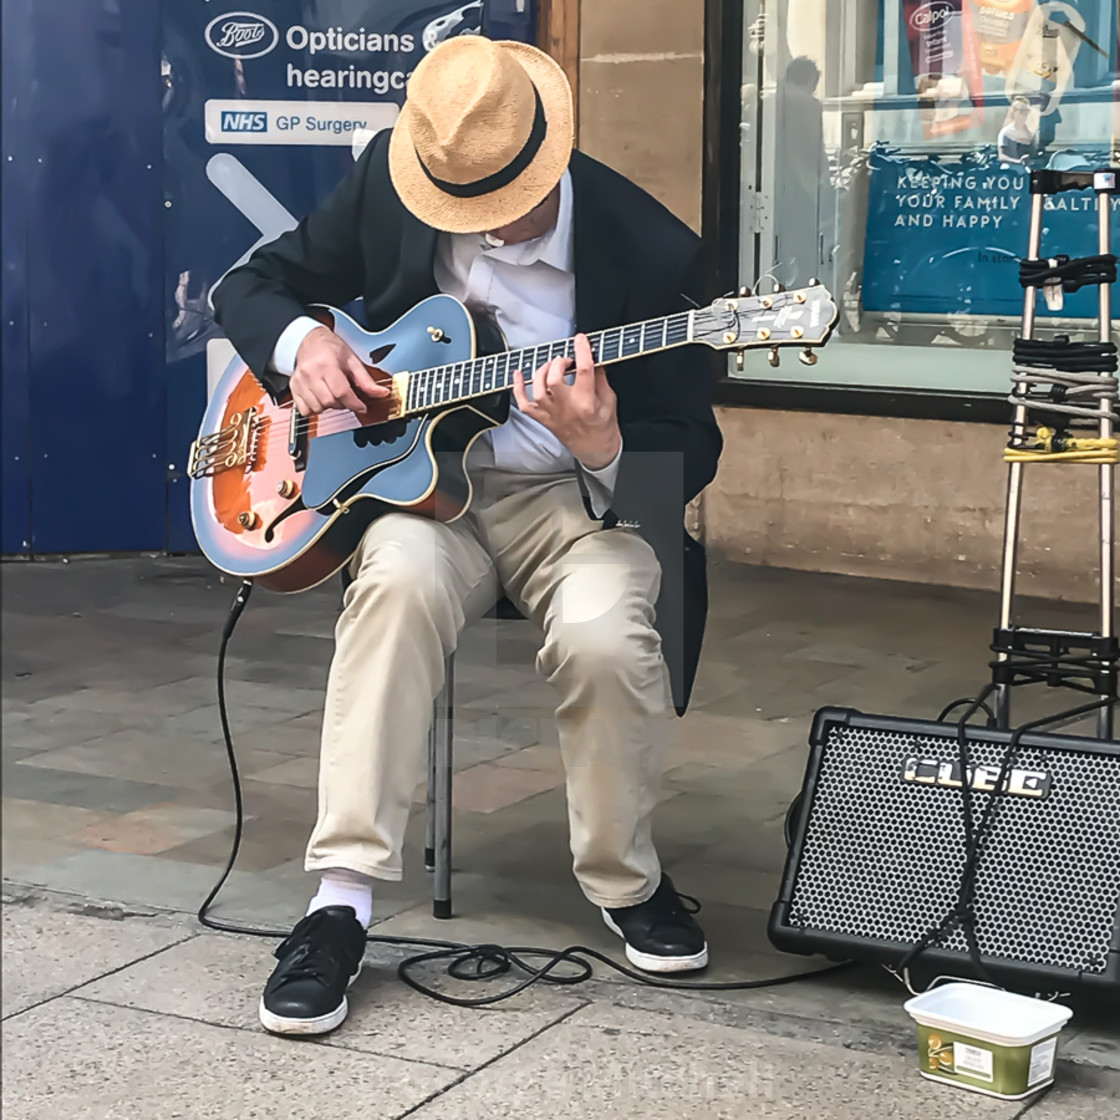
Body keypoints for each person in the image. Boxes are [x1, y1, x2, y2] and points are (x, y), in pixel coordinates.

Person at [212, 35, 723, 1037]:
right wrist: (305, 342)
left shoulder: (655, 254)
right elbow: (250, 287)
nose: (471, 227)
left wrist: (607, 441)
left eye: (491, 206)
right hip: (427, 496)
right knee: (392, 589)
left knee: (602, 634)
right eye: (455, 210)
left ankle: (626, 880)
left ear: (546, 158)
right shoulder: (396, 183)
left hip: (577, 504)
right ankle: (339, 902)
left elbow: (685, 457)